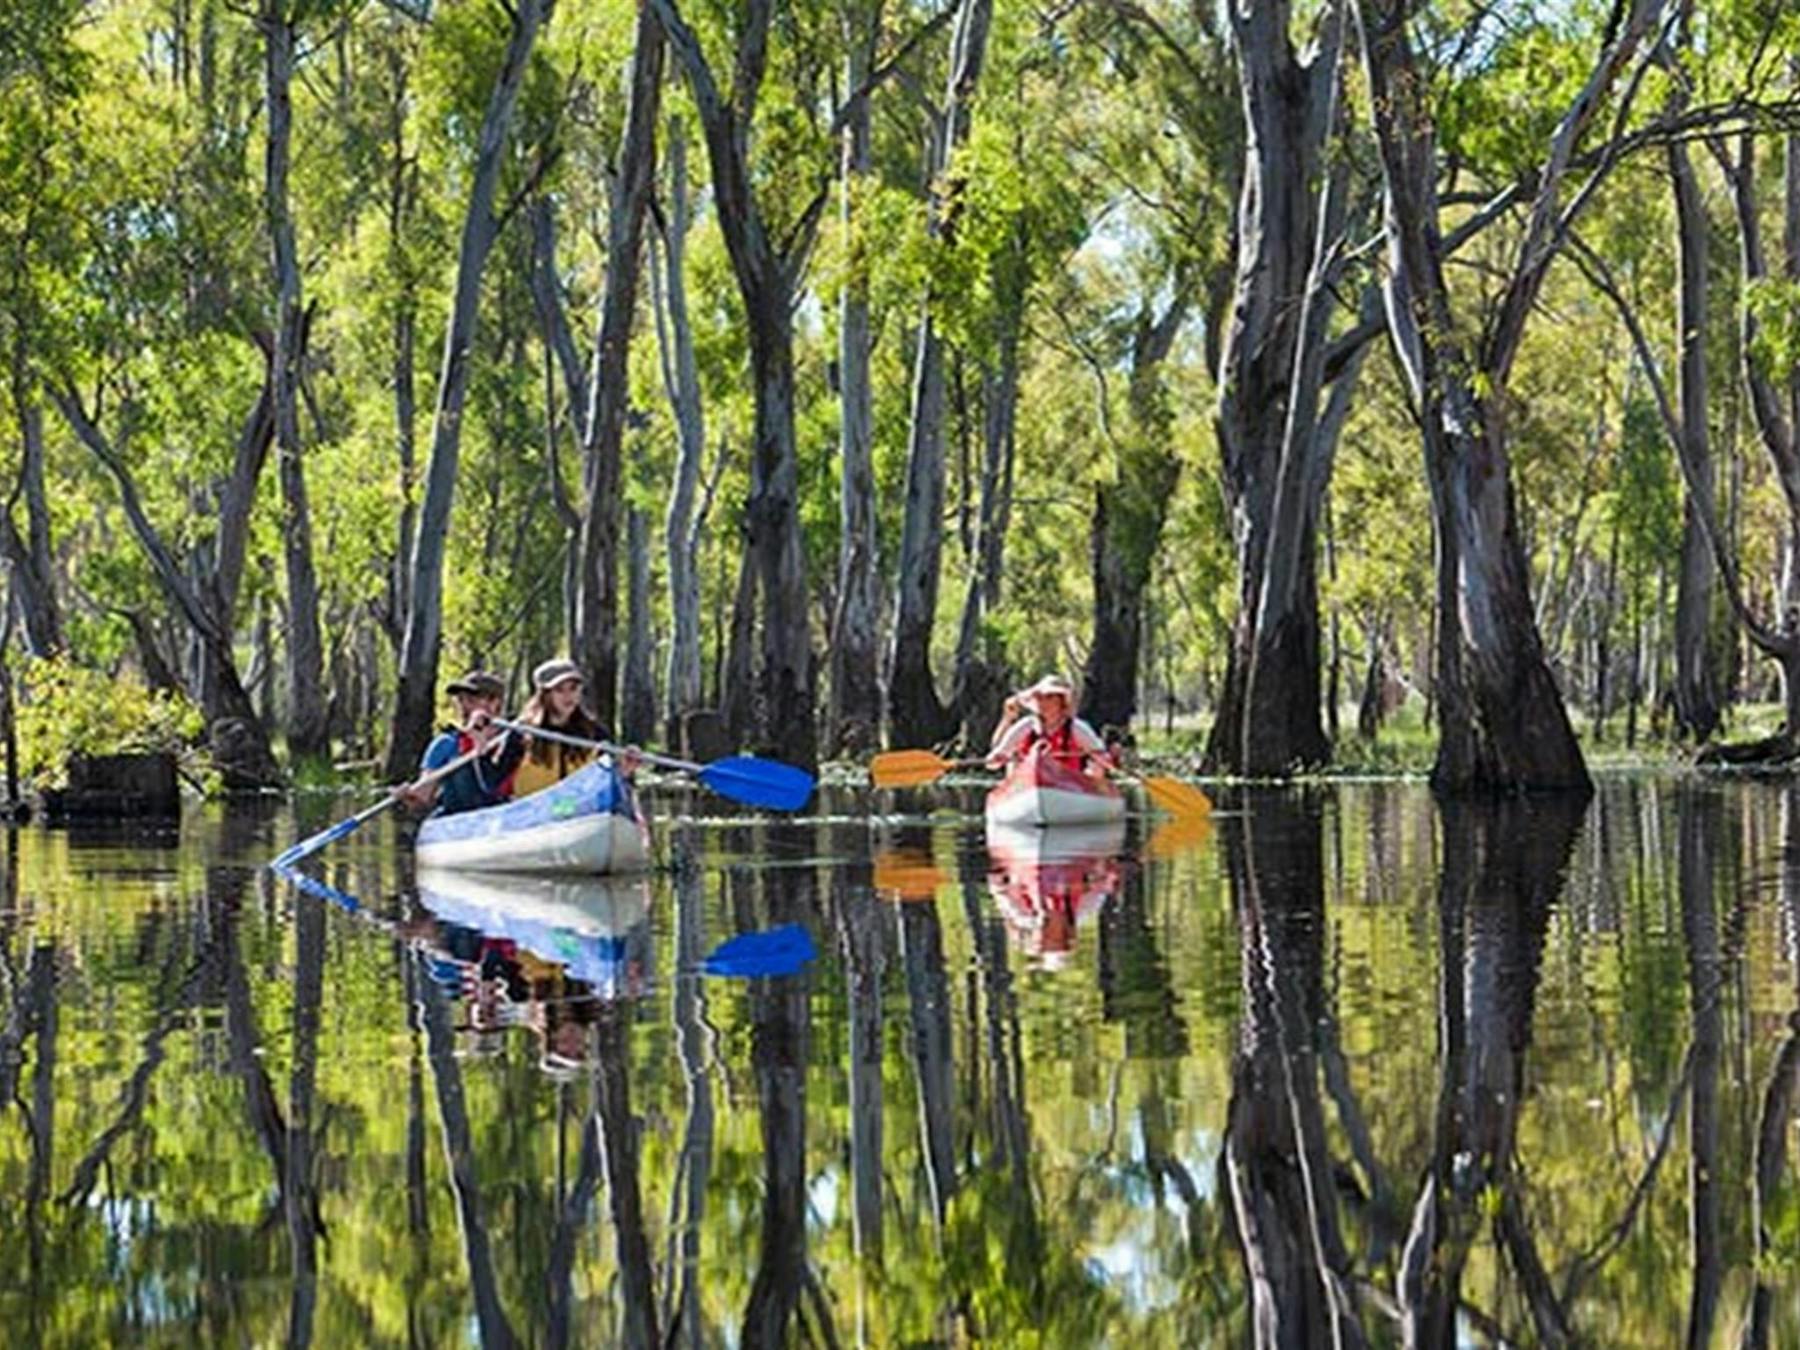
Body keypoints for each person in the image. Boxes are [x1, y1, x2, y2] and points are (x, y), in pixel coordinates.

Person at [509, 658, 638, 797]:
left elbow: (609, 783)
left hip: (579, 811)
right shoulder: (521, 732)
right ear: (545, 695)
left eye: (573, 688)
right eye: (559, 690)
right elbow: (491, 783)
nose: (568, 696)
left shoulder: (595, 733)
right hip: (531, 813)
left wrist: (623, 771)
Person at [401, 670, 522, 817]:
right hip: (459, 822)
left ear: (494, 703)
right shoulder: (446, 743)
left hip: (507, 819)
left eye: (472, 698)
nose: (463, 704)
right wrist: (411, 798)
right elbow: (423, 797)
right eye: (461, 698)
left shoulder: (516, 741)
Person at [986, 674, 1114, 777]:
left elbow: (1103, 758)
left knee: (1096, 768)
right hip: (1024, 786)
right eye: (1040, 697)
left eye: (1049, 697)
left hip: (1069, 786)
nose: (1043, 702)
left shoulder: (1077, 728)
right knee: (1012, 765)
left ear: (1061, 701)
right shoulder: (1026, 726)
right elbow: (993, 762)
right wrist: (997, 758)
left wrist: (1104, 760)